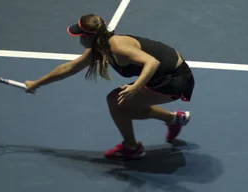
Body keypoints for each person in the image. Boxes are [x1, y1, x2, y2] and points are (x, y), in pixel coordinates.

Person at [24, 14, 195, 159]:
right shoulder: (101, 46)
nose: (80, 39)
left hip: (174, 79)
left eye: (81, 36)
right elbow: (70, 67)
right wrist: (37, 83)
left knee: (116, 102)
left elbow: (152, 62)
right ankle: (174, 119)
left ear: (88, 37)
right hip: (160, 75)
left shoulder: (117, 47)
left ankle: (132, 148)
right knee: (122, 106)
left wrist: (135, 87)